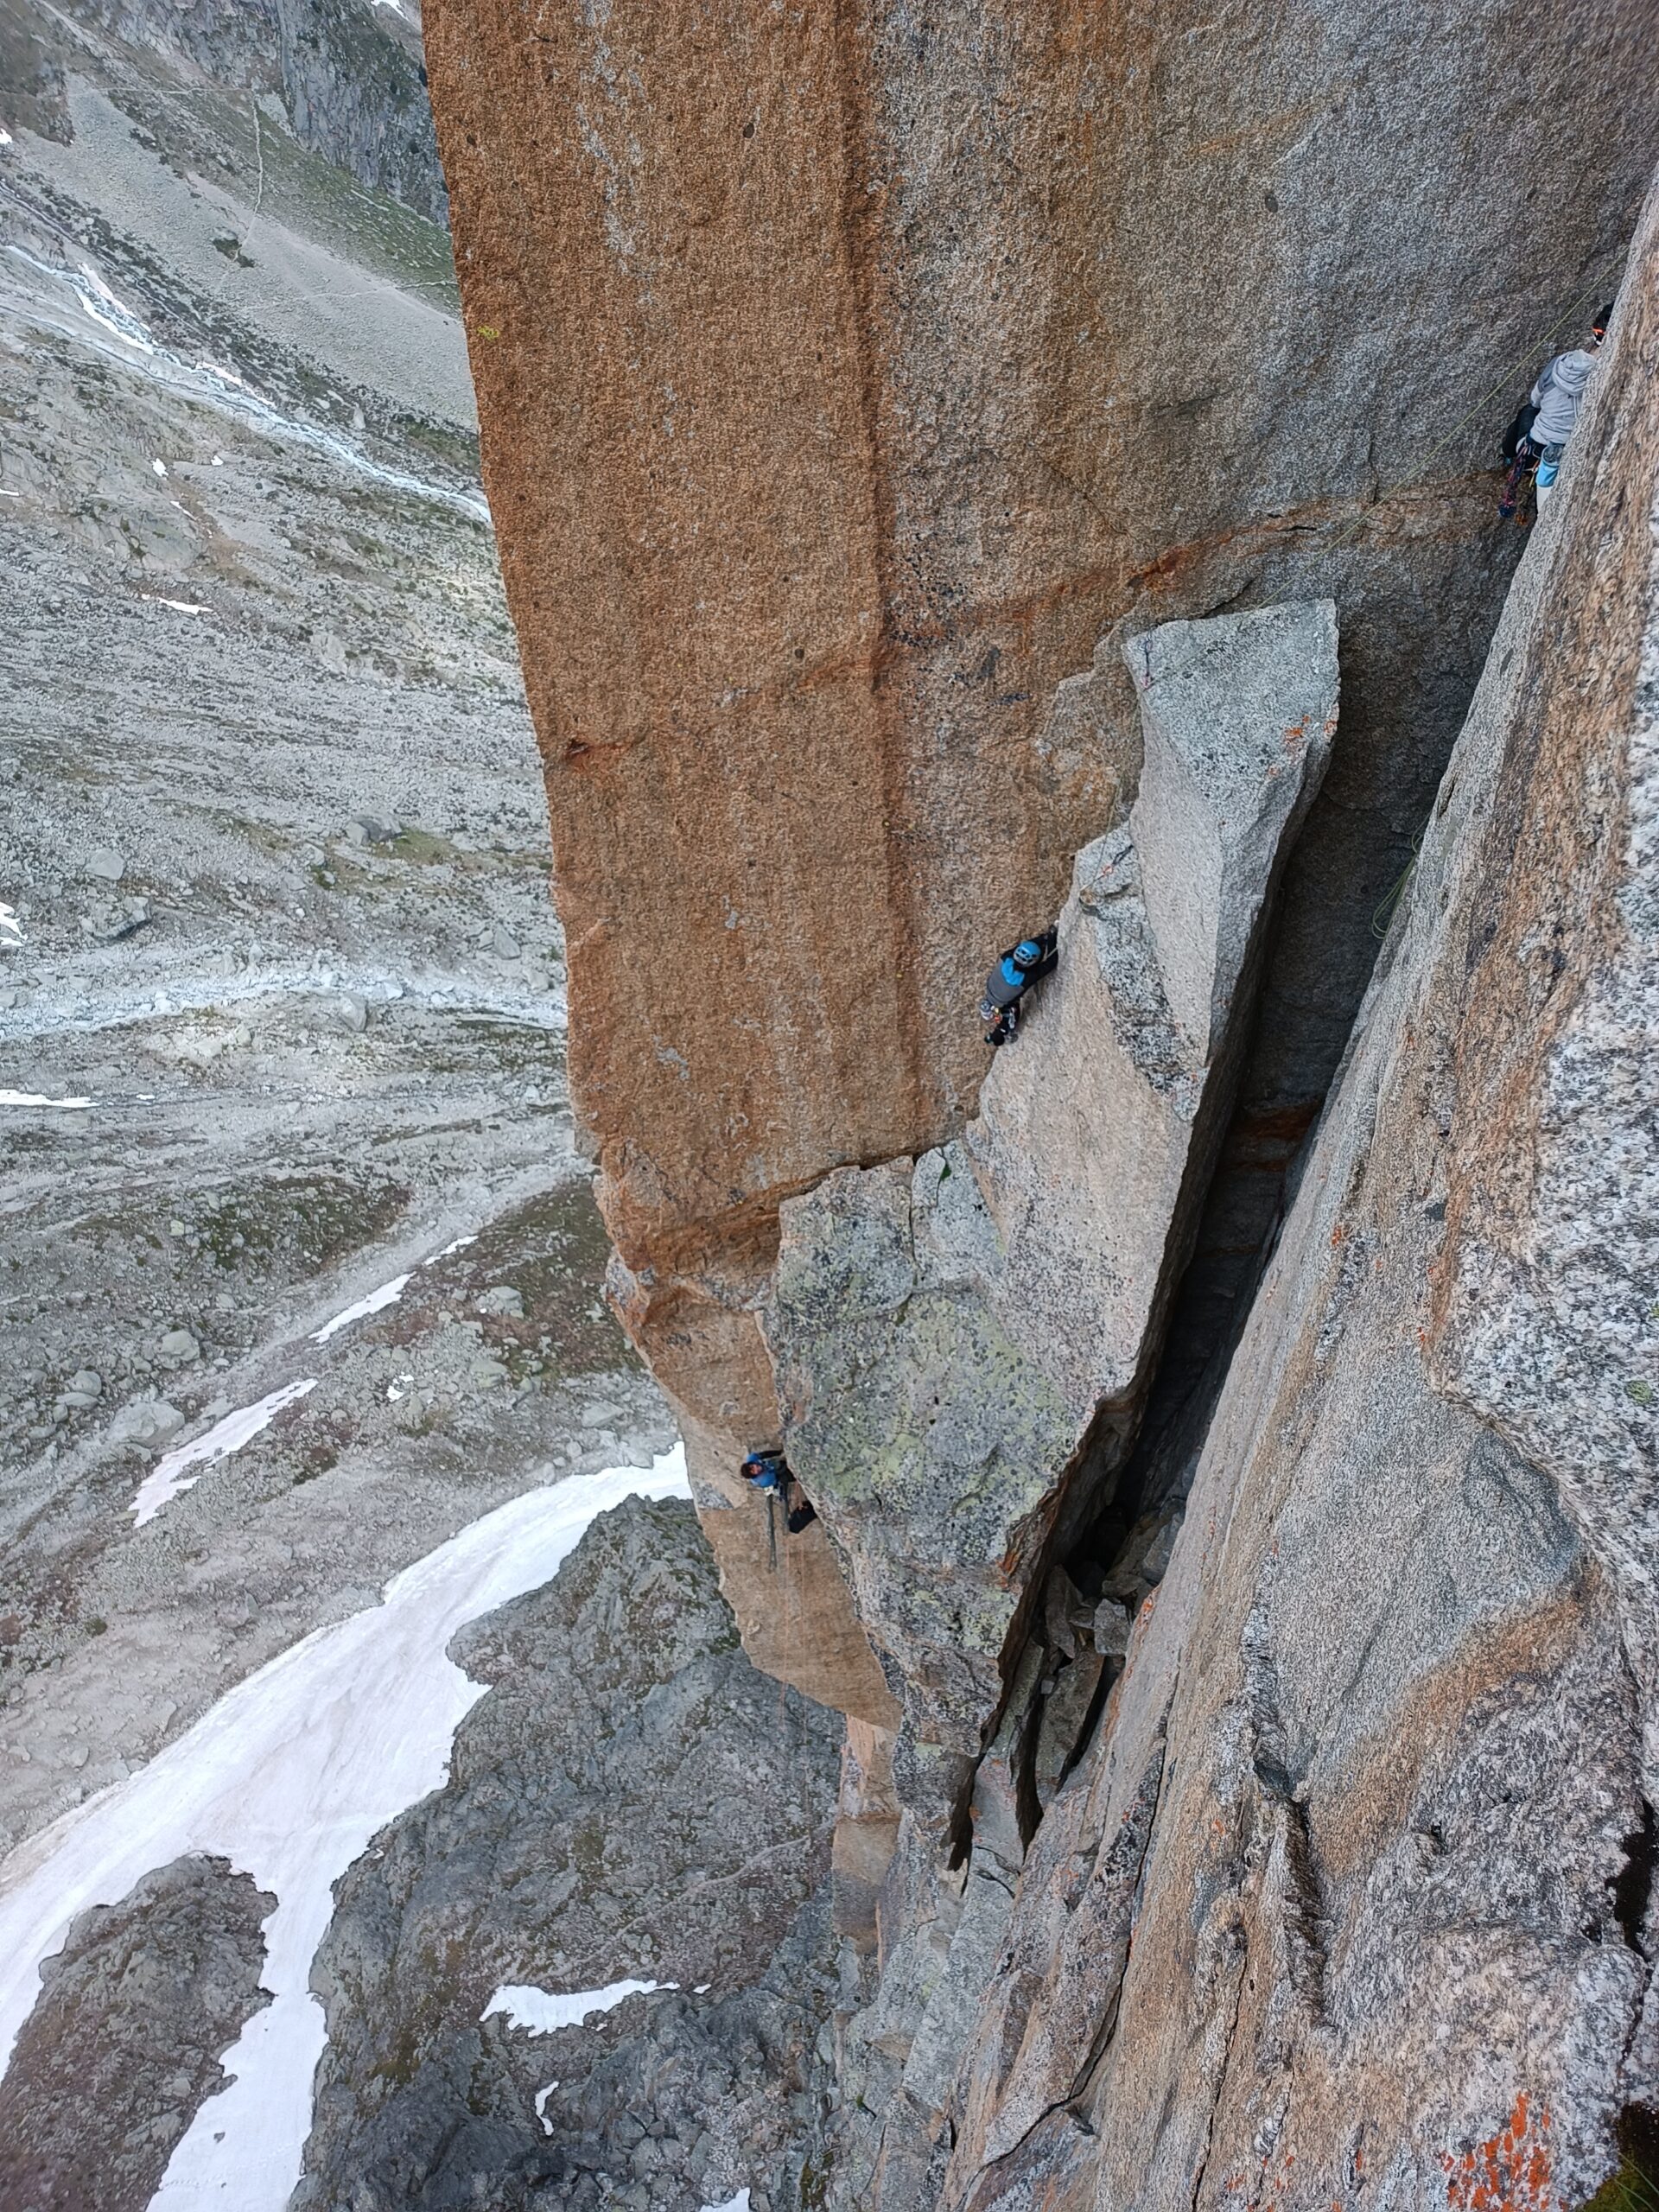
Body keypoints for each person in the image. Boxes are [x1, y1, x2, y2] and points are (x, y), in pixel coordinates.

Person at [1507, 302, 1613, 511]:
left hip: (1533, 450)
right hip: (1565, 448)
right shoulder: (1607, 374)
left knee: (1527, 412)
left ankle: (1509, 456)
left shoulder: (1561, 362)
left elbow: (1535, 400)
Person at [979, 926, 1058, 1048]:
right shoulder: (1024, 979)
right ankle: (1003, 1033)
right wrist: (1051, 938)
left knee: (1002, 1012)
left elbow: (1024, 947)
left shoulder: (1006, 957)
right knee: (1011, 1015)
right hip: (1004, 1002)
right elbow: (1051, 963)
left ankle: (994, 1036)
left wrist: (1044, 938)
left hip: (992, 991)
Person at [741, 1449, 817, 1534]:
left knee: (777, 1465)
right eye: (754, 1472)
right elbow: (778, 1473)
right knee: (782, 1474)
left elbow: (765, 1454)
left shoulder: (752, 1458)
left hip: (771, 1469)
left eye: (753, 1467)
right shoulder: (765, 1479)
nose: (756, 1469)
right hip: (776, 1476)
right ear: (755, 1476)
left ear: (751, 1463)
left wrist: (779, 1452)